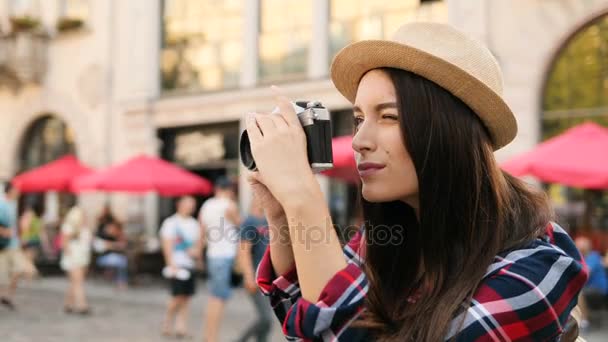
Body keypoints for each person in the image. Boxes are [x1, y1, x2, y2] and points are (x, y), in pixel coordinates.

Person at [246, 22, 588, 341]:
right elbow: (310, 321)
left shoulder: (536, 270)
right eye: (359, 118)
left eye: (389, 116)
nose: (359, 140)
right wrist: (282, 214)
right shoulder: (384, 241)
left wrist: (303, 198)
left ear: (449, 131)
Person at [199, 176, 240, 342]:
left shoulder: (207, 205)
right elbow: (241, 225)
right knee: (218, 298)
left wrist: (199, 253)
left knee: (215, 296)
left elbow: (201, 232)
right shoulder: (229, 205)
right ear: (229, 189)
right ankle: (211, 337)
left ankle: (210, 335)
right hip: (225, 255)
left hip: (213, 254)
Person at [160, 196, 202, 338]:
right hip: (177, 265)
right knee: (176, 296)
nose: (191, 206)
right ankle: (167, 323)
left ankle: (181, 327)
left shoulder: (194, 224)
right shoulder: (171, 222)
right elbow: (167, 244)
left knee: (186, 297)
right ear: (179, 204)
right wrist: (171, 263)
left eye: (193, 204)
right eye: (188, 203)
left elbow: (198, 244)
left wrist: (197, 254)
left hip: (189, 264)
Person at [236, 198, 273, 342]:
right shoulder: (249, 222)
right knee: (265, 318)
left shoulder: (267, 221)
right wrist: (249, 276)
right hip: (256, 276)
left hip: (269, 277)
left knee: (267, 320)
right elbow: (243, 251)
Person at [0, 182, 35, 311]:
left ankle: (7, 295)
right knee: (3, 274)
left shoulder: (15, 205)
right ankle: (5, 295)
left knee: (20, 268)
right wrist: (5, 232)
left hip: (14, 244)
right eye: (16, 189)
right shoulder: (2, 204)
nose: (19, 192)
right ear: (10, 190)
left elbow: (18, 226)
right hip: (3, 245)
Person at [60, 206, 92, 315]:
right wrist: (71, 257)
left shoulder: (84, 227)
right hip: (74, 258)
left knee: (74, 282)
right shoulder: (69, 227)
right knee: (78, 282)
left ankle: (68, 304)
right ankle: (82, 305)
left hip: (83, 257)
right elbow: (64, 243)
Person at [574, 236, 607, 329]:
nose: (578, 249)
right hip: (588, 287)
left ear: (587, 247)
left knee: (579, 292)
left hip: (599, 289)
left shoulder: (593, 256)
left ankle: (584, 321)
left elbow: (585, 274)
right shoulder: (579, 258)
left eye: (580, 247)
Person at [94, 219, 129, 290]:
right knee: (122, 262)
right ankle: (121, 281)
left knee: (123, 261)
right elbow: (101, 246)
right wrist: (114, 245)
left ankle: (120, 281)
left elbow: (123, 245)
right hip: (103, 258)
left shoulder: (116, 236)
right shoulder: (102, 235)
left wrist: (118, 237)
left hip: (114, 257)